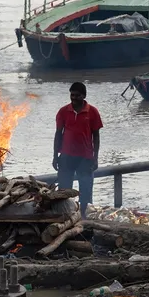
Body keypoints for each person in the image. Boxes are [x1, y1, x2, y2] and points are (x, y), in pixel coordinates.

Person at [53, 82, 102, 218]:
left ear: (84, 96)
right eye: (72, 95)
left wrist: (96, 158)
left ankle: (85, 218)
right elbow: (58, 134)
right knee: (64, 190)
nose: (73, 98)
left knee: (85, 190)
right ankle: (64, 217)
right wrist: (55, 156)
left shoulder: (92, 112)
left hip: (86, 158)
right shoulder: (63, 111)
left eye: (77, 95)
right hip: (66, 157)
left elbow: (96, 137)